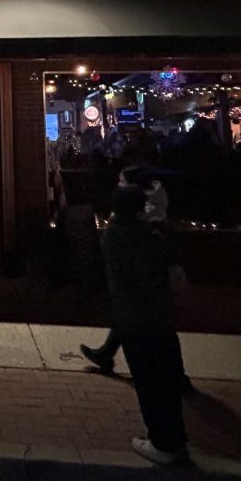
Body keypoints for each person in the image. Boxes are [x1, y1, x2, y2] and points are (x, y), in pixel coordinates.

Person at [95, 182, 188, 465]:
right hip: (158, 317)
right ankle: (172, 438)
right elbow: (172, 272)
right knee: (163, 379)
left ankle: (163, 442)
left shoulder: (114, 236)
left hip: (133, 318)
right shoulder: (151, 237)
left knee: (149, 381)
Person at [81, 168, 195, 396]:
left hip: (140, 299)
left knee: (148, 343)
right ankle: (174, 379)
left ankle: (167, 393)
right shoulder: (145, 229)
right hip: (148, 299)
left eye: (122, 182)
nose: (119, 184)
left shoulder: (127, 232)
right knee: (159, 335)